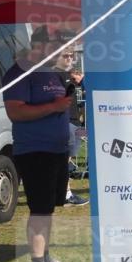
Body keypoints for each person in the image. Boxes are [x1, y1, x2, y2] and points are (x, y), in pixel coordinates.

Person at [2, 28, 78, 262]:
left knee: (48, 209)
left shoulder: (48, 71)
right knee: (39, 210)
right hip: (35, 151)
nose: (59, 49)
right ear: (40, 44)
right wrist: (54, 107)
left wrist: (64, 99)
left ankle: (45, 259)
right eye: (55, 43)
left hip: (57, 150)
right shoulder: (19, 72)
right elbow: (16, 112)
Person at [52, 47, 88, 206]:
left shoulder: (68, 75)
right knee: (63, 160)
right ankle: (65, 194)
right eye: (65, 56)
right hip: (65, 122)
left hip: (75, 122)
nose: (69, 59)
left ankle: (61, 192)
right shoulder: (56, 74)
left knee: (69, 157)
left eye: (71, 56)